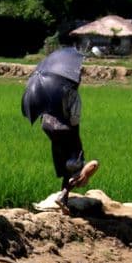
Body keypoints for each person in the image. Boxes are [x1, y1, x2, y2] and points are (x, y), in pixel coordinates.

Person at [41, 78, 97, 214]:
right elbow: (74, 119)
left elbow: (42, 111)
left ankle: (63, 199)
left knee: (66, 161)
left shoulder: (50, 90)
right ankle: (65, 192)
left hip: (48, 128)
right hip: (64, 129)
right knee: (77, 163)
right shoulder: (73, 94)